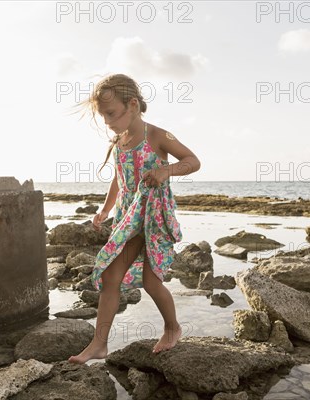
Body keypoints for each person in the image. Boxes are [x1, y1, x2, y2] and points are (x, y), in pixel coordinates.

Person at [68, 73, 201, 364]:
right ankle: (99, 344)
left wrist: (167, 171)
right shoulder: (120, 142)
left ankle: (172, 328)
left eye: (111, 114)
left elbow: (193, 161)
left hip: (153, 217)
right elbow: (119, 181)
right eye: (103, 116)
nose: (107, 122)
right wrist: (106, 209)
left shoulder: (158, 135)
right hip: (129, 218)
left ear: (132, 105)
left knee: (152, 284)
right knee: (110, 276)